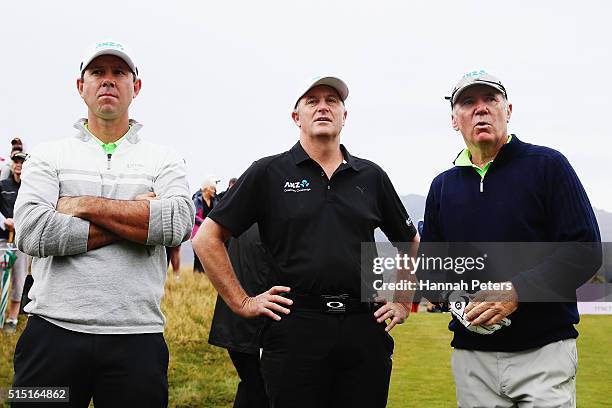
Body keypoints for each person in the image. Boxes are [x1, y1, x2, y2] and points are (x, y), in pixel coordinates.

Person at [193, 76, 419, 407]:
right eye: (312, 101)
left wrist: (401, 301)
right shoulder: (268, 172)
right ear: (296, 117)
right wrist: (242, 302)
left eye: (332, 100)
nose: (323, 107)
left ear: (345, 115)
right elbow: (207, 238)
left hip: (363, 324)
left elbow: (409, 240)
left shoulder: (371, 177)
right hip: (295, 325)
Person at [13, 40, 194, 407]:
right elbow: (33, 231)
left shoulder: (165, 159)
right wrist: (139, 219)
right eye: (97, 73)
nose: (107, 81)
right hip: (50, 333)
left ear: (136, 87)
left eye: (118, 73)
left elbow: (176, 225)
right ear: (81, 87)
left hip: (137, 337)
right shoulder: (47, 155)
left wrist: (80, 205)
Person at [421, 70, 601, 407]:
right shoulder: (442, 187)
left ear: (509, 110)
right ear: (454, 120)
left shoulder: (548, 166)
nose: (481, 109)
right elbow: (431, 274)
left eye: (491, 99)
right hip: (472, 359)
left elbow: (584, 250)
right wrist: (456, 301)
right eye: (468, 102)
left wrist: (517, 291)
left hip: (544, 353)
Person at [209, 223, 272, 408]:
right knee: (261, 390)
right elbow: (203, 240)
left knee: (255, 389)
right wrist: (242, 302)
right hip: (257, 322)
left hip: (245, 318)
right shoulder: (283, 200)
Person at [0, 151, 28, 334]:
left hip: (22, 242)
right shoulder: (2, 185)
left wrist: (21, 224)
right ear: (12, 165)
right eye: (16, 161)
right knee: (2, 280)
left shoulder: (30, 187)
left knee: (19, 281)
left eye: (22, 161)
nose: (18, 164)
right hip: (3, 241)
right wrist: (4, 220)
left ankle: (11, 319)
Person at [191, 176, 218, 272]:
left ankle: (205, 276)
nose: (214, 191)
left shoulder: (215, 201)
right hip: (197, 231)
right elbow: (193, 216)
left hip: (209, 232)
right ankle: (196, 276)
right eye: (212, 188)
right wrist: (205, 222)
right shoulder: (196, 201)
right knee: (198, 255)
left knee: (207, 256)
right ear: (206, 189)